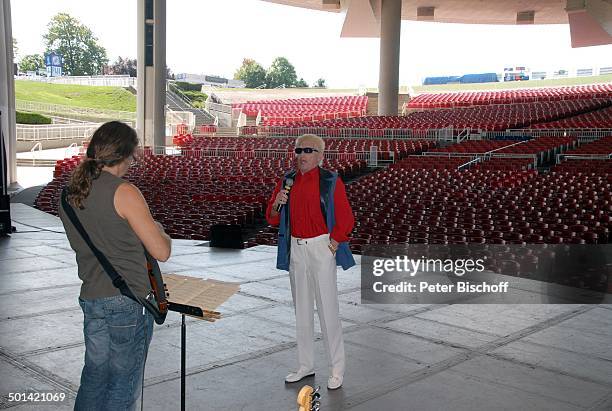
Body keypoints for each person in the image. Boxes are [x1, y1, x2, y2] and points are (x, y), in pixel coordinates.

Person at [59, 121, 172, 410]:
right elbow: (161, 251)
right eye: (134, 155)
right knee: (123, 384)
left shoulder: (69, 193)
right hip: (127, 302)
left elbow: (102, 232)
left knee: (94, 378)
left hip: (92, 298)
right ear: (125, 154)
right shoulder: (125, 192)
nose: (134, 162)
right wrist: (159, 229)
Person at [266, 134, 355, 390]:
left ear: (320, 155)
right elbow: (272, 217)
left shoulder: (330, 181)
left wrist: (335, 241)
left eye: (307, 150)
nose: (301, 155)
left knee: (328, 310)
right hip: (296, 248)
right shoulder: (287, 181)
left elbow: (346, 217)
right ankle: (305, 365)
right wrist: (277, 204)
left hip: (320, 247)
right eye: (298, 150)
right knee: (302, 310)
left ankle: (337, 368)